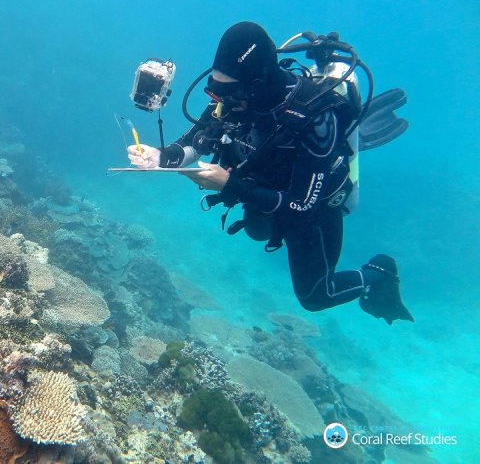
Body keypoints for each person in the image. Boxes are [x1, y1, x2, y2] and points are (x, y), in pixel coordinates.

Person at [128, 21, 414, 325]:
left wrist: (230, 185)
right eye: (216, 93)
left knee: (317, 297)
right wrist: (161, 157)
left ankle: (379, 275)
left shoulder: (314, 118)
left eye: (229, 93)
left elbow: (301, 206)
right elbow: (197, 139)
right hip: (263, 189)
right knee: (258, 229)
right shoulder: (232, 100)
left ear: (257, 83)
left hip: (315, 206)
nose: (220, 104)